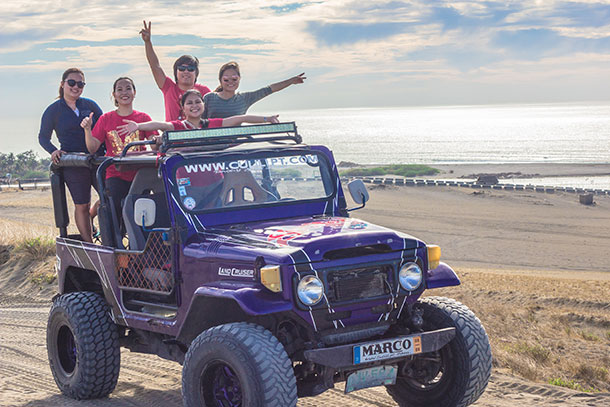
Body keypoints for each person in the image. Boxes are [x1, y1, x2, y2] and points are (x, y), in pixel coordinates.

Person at [80, 77, 157, 223]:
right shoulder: (106, 119)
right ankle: (116, 243)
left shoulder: (143, 117)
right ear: (114, 94)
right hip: (115, 174)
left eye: (128, 88)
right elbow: (92, 147)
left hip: (139, 175)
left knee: (141, 215)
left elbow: (154, 145)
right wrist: (87, 129)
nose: (124, 92)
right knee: (115, 214)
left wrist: (156, 138)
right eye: (119, 89)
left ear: (134, 92)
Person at [39, 68, 103, 242]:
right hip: (73, 162)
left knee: (110, 196)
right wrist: (53, 151)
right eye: (72, 83)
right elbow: (43, 137)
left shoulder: (90, 105)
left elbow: (104, 128)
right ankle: (90, 245)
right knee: (82, 204)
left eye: (80, 84)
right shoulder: (54, 110)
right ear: (62, 84)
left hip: (97, 158)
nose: (76, 87)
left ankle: (93, 217)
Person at [117, 89, 279, 135]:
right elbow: (160, 124)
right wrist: (138, 126)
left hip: (212, 176)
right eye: (189, 103)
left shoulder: (211, 124)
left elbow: (239, 118)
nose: (194, 106)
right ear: (183, 108)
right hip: (186, 178)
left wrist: (267, 118)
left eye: (197, 102)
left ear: (203, 104)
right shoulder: (179, 126)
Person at [140, 20, 211, 121]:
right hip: (173, 134)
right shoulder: (169, 88)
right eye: (181, 69)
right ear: (175, 72)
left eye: (190, 69)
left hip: (197, 134)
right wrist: (147, 42)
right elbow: (155, 66)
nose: (186, 72)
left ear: (196, 73)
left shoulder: (204, 91)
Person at [203, 61, 305, 119]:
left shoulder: (244, 98)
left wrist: (291, 81)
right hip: (212, 145)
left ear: (239, 79)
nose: (230, 82)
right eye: (226, 80)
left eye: (234, 79)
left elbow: (269, 89)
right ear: (220, 80)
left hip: (235, 145)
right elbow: (199, 123)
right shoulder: (209, 98)